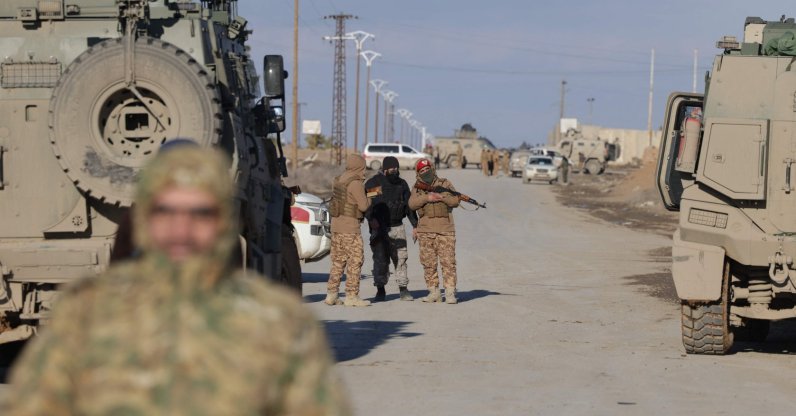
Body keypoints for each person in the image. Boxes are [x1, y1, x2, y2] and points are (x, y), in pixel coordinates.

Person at [6, 144, 350, 415]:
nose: (181, 229)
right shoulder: (86, 314)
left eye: (199, 213)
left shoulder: (279, 324)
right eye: (165, 211)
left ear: (223, 222)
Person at [365, 156, 418, 302]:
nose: (394, 170)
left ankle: (403, 289)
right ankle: (380, 290)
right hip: (380, 229)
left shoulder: (402, 184)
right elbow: (368, 204)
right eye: (391, 168)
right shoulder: (375, 183)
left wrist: (415, 225)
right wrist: (371, 219)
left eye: (396, 168)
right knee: (380, 260)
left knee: (401, 258)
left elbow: (409, 207)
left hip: (398, 227)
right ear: (384, 169)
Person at [408, 158, 460, 304]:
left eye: (427, 169)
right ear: (418, 173)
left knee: (448, 262)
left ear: (432, 168)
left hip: (445, 230)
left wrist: (442, 197)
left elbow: (456, 201)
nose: (426, 172)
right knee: (428, 263)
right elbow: (412, 204)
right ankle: (434, 292)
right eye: (422, 171)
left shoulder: (445, 183)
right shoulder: (417, 188)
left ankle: (450, 292)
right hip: (425, 231)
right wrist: (427, 197)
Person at [325, 154, 371, 307]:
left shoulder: (338, 180)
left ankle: (331, 294)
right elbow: (363, 206)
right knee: (355, 261)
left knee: (338, 261)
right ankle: (351, 296)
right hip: (350, 228)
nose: (364, 171)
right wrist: (371, 197)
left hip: (336, 226)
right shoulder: (356, 183)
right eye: (363, 167)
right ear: (359, 167)